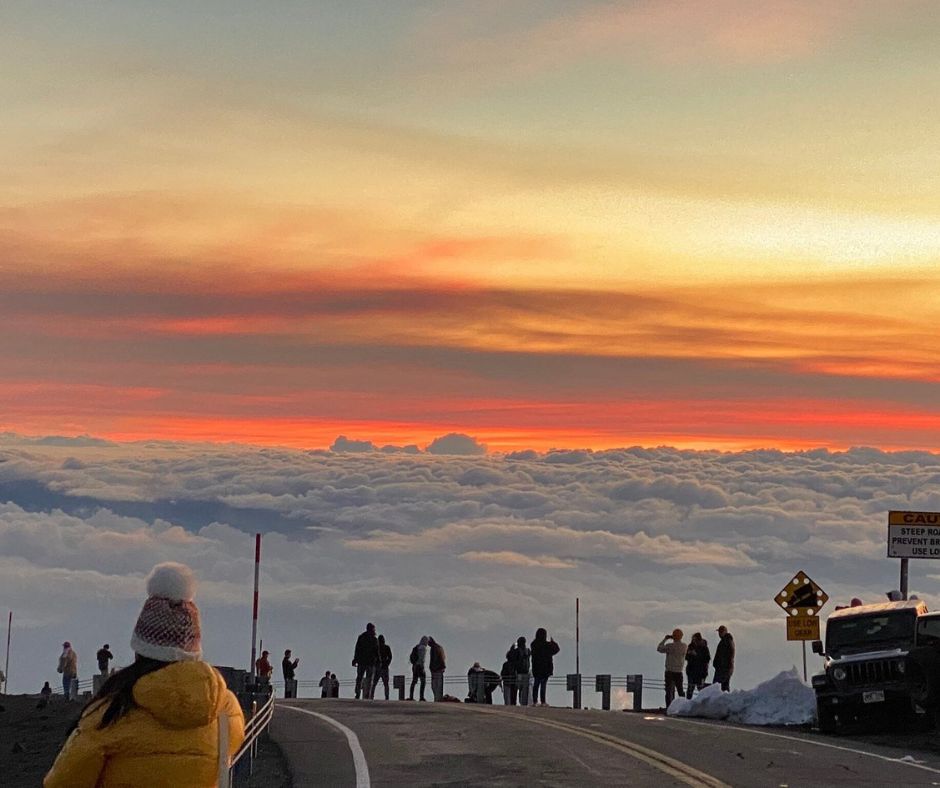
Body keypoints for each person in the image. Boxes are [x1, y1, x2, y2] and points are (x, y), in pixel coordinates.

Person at [43, 562, 245, 788]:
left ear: (140, 647)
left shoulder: (110, 712)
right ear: (193, 647)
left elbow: (63, 782)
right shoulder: (226, 708)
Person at [530, 628, 560, 707]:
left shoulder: (534, 644)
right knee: (543, 685)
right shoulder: (547, 645)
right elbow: (556, 650)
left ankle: (534, 701)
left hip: (536, 667)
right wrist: (553, 642)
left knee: (536, 684)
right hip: (546, 668)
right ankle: (543, 701)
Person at [657, 628, 687, 707]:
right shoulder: (684, 646)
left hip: (669, 671)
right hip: (679, 671)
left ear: (673, 637)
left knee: (669, 691)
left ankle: (669, 707)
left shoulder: (670, 646)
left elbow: (659, 648)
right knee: (680, 690)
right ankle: (683, 706)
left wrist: (665, 639)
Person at [352, 623, 380, 700]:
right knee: (367, 679)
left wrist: (355, 659)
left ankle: (359, 693)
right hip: (368, 662)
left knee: (360, 678)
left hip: (364, 661)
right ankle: (366, 694)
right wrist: (378, 661)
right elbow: (376, 651)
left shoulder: (362, 637)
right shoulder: (374, 639)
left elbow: (357, 649)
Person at [684, 633, 711, 698]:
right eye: (693, 639)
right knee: (690, 689)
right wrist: (689, 654)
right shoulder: (690, 646)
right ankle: (688, 703)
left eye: (695, 639)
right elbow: (686, 657)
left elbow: (707, 659)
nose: (693, 641)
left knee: (700, 688)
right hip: (691, 671)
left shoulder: (704, 647)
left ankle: (704, 700)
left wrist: (696, 655)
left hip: (701, 672)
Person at [508, 636, 531, 706]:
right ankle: (523, 703)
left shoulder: (516, 651)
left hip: (517, 672)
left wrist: (511, 649)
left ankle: (513, 703)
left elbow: (509, 657)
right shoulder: (528, 651)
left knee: (515, 689)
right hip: (526, 673)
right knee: (524, 690)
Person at [713, 625, 735, 692]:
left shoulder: (726, 641)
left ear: (725, 632)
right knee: (723, 686)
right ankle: (725, 700)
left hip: (723, 669)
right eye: (719, 632)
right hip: (724, 668)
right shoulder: (726, 641)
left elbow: (728, 655)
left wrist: (720, 665)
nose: (719, 634)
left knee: (719, 687)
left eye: (721, 632)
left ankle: (724, 700)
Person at [372, 634, 392, 701]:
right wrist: (387, 663)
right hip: (383, 667)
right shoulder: (386, 647)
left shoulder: (377, 647)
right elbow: (390, 657)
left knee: (374, 683)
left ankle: (371, 696)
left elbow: (373, 657)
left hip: (379, 667)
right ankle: (387, 697)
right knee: (385, 684)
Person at [409, 636, 428, 701]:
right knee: (423, 681)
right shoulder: (423, 648)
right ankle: (421, 696)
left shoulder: (417, 647)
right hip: (420, 666)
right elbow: (422, 659)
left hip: (414, 666)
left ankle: (411, 696)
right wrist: (422, 667)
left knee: (414, 681)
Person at [428, 636, 446, 701]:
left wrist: (431, 668)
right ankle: (438, 698)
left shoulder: (433, 648)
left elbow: (433, 660)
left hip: (435, 669)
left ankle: (437, 699)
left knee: (434, 686)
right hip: (440, 668)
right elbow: (443, 658)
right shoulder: (439, 647)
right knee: (439, 686)